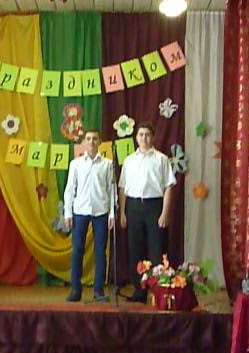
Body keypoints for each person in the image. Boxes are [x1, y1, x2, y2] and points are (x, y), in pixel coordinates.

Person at [119, 122, 176, 302]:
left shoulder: (162, 159)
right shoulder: (129, 160)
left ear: (153, 137)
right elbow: (122, 188)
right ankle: (139, 290)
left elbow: (168, 186)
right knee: (136, 249)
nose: (144, 138)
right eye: (141, 134)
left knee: (157, 249)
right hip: (134, 207)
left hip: (154, 207)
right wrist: (122, 213)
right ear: (136, 138)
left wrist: (165, 212)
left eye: (148, 135)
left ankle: (159, 290)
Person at [64, 129, 115, 302]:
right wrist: (68, 213)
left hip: (101, 212)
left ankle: (98, 290)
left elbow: (111, 190)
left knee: (100, 252)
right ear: (84, 142)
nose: (91, 142)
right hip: (80, 211)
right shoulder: (76, 164)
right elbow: (70, 189)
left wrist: (112, 214)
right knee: (77, 250)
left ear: (100, 142)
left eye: (94, 139)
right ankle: (75, 289)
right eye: (88, 139)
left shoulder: (107, 164)